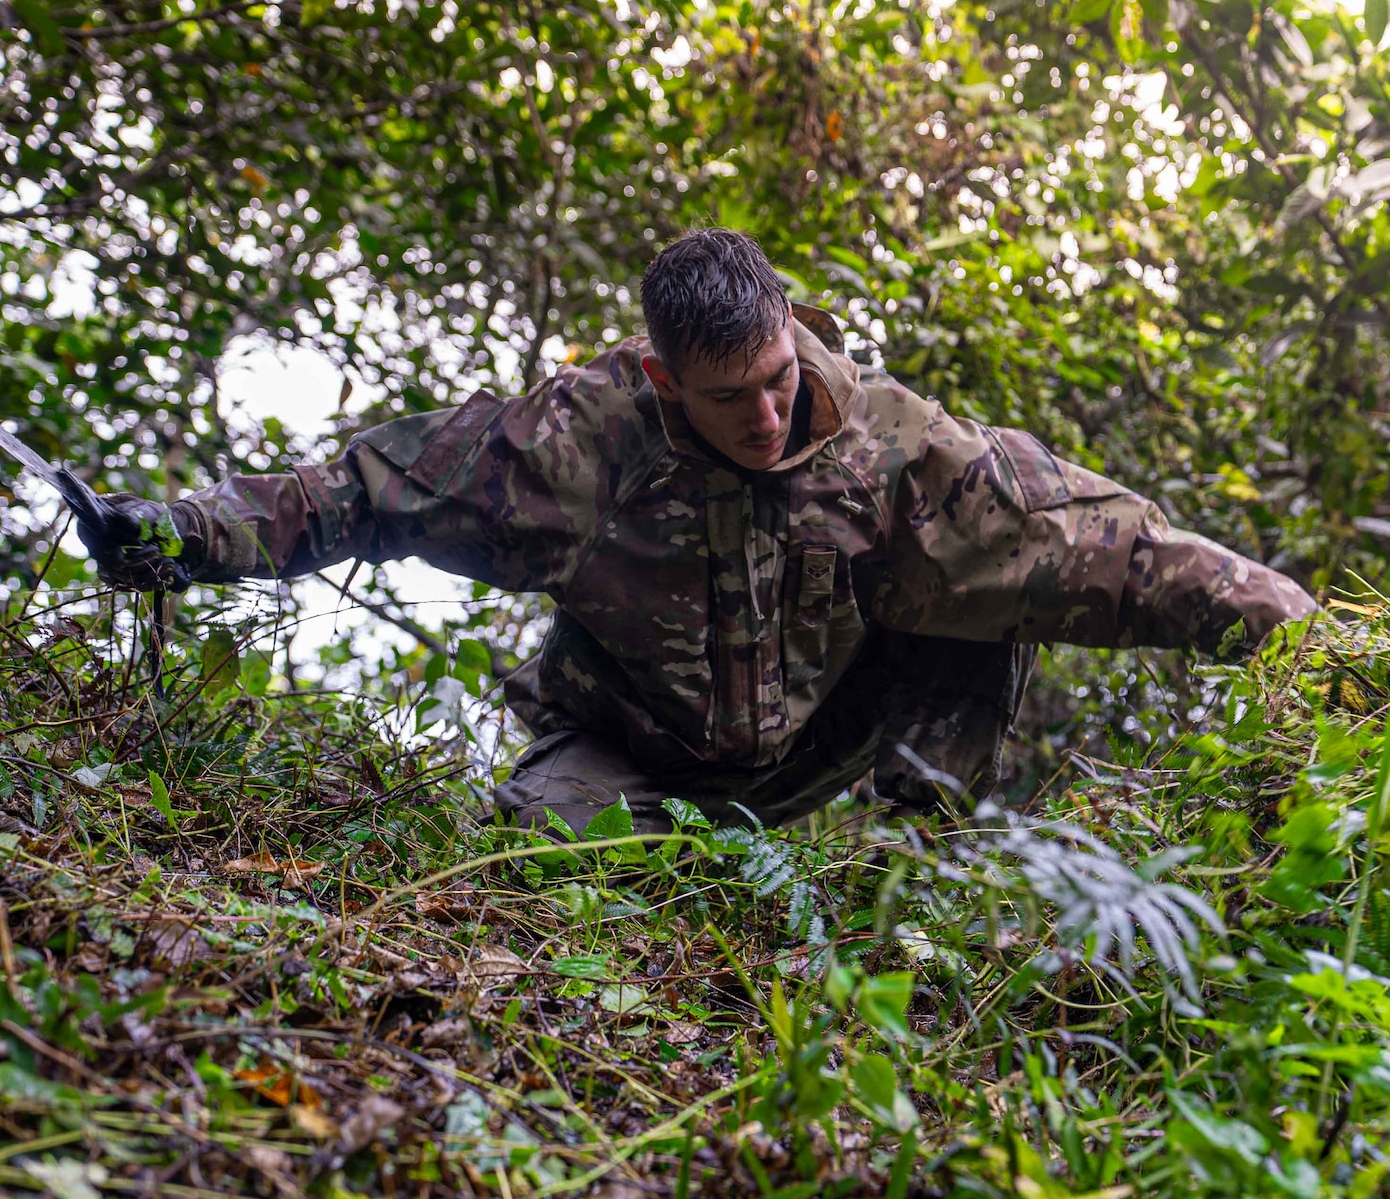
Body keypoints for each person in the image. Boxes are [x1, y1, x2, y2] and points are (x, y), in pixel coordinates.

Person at [82, 229, 1315, 833]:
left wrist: (1310, 639)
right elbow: (354, 495)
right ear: (668, 383)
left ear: (791, 328)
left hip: (829, 734)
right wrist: (183, 533)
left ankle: (910, 882)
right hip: (637, 750)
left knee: (994, 601)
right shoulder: (569, 445)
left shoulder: (901, 453)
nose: (768, 415)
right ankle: (626, 856)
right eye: (730, 399)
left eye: (779, 377)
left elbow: (1126, 554)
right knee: (525, 869)